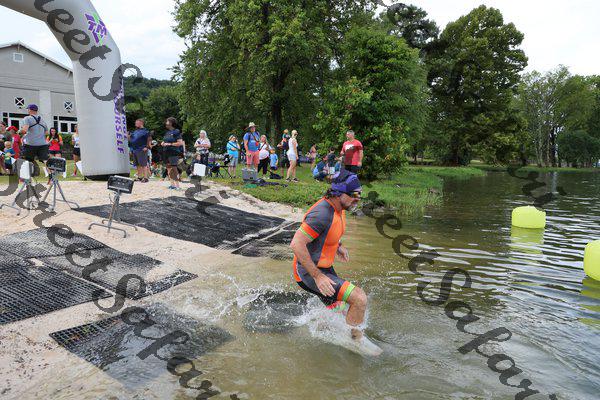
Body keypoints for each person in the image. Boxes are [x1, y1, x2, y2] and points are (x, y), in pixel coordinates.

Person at [290, 170, 369, 342]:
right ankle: (355, 340)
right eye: (354, 195)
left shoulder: (340, 208)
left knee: (341, 309)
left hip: (325, 269)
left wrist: (338, 246)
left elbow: (327, 232)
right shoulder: (322, 214)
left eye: (360, 195)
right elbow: (296, 244)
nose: (358, 199)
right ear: (339, 193)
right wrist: (318, 277)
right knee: (359, 299)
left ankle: (324, 328)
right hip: (308, 272)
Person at [20, 104, 49, 173]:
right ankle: (51, 176)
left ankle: (28, 177)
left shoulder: (27, 118)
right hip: (42, 144)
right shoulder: (42, 120)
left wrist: (18, 131)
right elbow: (47, 133)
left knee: (26, 160)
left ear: (30, 110)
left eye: (28, 109)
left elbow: (24, 130)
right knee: (45, 160)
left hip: (30, 144)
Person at [162, 117, 184, 190]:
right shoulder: (167, 132)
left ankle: (177, 186)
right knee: (168, 168)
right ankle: (172, 185)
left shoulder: (176, 131)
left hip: (173, 152)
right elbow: (165, 141)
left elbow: (180, 143)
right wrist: (163, 143)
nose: (166, 123)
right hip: (166, 152)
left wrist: (170, 144)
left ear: (171, 123)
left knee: (174, 168)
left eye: (167, 121)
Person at [128, 119, 152, 183]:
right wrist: (128, 137)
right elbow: (131, 140)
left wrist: (147, 147)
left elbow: (149, 139)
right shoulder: (135, 131)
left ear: (141, 123)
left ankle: (145, 178)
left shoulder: (145, 131)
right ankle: (139, 177)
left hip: (142, 149)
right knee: (137, 164)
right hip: (134, 149)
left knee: (143, 164)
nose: (135, 124)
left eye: (136, 123)